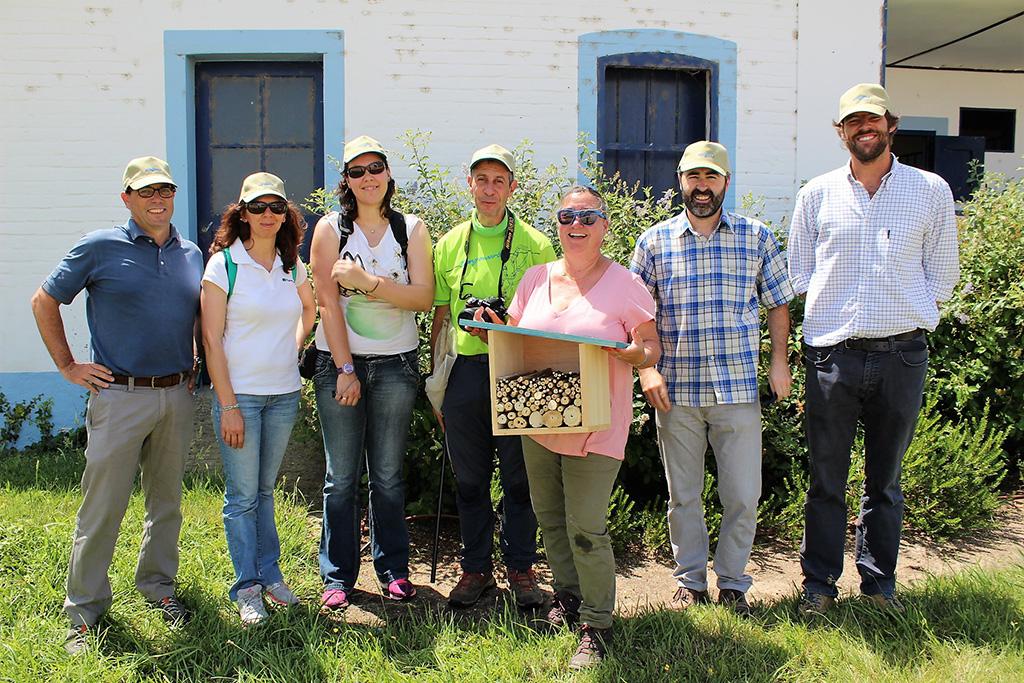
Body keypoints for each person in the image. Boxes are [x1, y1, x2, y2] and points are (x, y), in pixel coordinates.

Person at [788, 84, 959, 614]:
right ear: (841, 132)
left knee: (885, 480)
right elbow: (799, 273)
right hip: (832, 357)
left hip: (903, 354)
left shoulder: (930, 190)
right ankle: (819, 585)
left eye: (873, 119)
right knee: (825, 479)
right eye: (852, 121)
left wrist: (902, 309)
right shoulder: (816, 193)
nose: (864, 128)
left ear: (891, 124)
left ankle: (880, 585)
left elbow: (944, 277)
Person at [30, 156, 203, 654]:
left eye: (164, 190)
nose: (157, 200)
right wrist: (68, 366)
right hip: (119, 396)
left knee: (166, 504)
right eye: (145, 192)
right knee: (102, 507)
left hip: (175, 393)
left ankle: (158, 588)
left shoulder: (190, 253)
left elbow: (195, 312)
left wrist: (193, 355)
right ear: (126, 198)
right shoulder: (99, 246)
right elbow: (44, 300)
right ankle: (83, 612)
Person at [483, 186, 660, 669]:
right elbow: (516, 337)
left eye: (587, 217)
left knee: (586, 526)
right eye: (567, 216)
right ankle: (567, 596)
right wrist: (488, 328)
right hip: (540, 422)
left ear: (604, 225)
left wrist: (633, 356)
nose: (576, 225)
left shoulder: (624, 282)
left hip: (598, 426)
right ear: (557, 224)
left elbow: (650, 347)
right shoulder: (536, 277)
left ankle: (597, 624)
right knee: (552, 520)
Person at [630, 141, 794, 617]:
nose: (702, 187)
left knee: (743, 494)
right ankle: (690, 581)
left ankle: (734, 581)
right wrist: (646, 369)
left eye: (712, 178)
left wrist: (779, 360)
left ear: (726, 181)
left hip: (738, 388)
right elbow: (636, 315)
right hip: (675, 392)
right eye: (693, 178)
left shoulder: (756, 237)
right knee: (684, 495)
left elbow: (778, 302)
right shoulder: (653, 241)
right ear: (680, 181)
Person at [310, 136, 434, 611]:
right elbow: (327, 303)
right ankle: (337, 577)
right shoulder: (329, 230)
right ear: (346, 180)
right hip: (338, 363)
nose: (367, 178)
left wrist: (368, 283)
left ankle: (394, 571)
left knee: (386, 474)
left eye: (375, 168)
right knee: (340, 477)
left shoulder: (412, 230)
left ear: (388, 173)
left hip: (397, 363)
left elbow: (423, 299)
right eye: (357, 171)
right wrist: (344, 368)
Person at [430, 144, 556, 609]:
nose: (488, 189)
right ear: (469, 185)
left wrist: (505, 327)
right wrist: (436, 386)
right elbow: (441, 318)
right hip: (464, 373)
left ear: (512, 187)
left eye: (498, 180)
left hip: (519, 370)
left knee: (521, 479)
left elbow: (546, 318)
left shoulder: (537, 244)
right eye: (480, 179)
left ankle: (521, 567)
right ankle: (476, 568)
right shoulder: (448, 244)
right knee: (470, 479)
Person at [200, 172, 316, 625]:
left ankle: (271, 576)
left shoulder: (293, 265)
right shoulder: (224, 265)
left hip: (284, 395)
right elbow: (211, 340)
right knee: (242, 496)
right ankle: (246, 587)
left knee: (265, 491)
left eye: (275, 207)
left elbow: (310, 310)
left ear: (285, 213)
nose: (267, 215)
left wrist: (296, 343)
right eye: (257, 207)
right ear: (242, 214)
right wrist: (227, 404)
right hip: (241, 398)